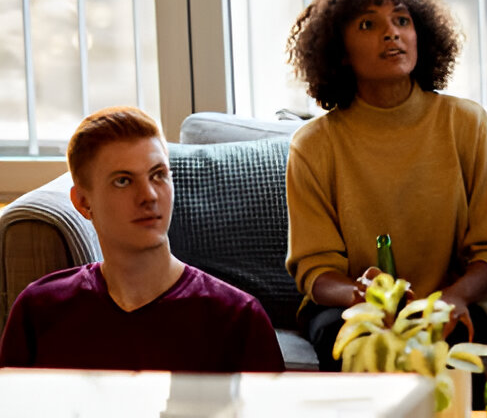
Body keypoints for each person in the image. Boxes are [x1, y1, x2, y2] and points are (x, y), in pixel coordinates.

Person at [285, 0, 487, 370]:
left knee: (458, 349)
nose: (391, 33)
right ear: (339, 52)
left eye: (402, 20)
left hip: (450, 299)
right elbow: (315, 269)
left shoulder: (468, 123)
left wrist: (455, 297)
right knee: (347, 339)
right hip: (353, 307)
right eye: (368, 24)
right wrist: (361, 296)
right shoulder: (313, 145)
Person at [0, 106, 284, 372]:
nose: (149, 195)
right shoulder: (39, 310)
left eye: (158, 175)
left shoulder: (237, 317)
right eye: (123, 181)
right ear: (83, 202)